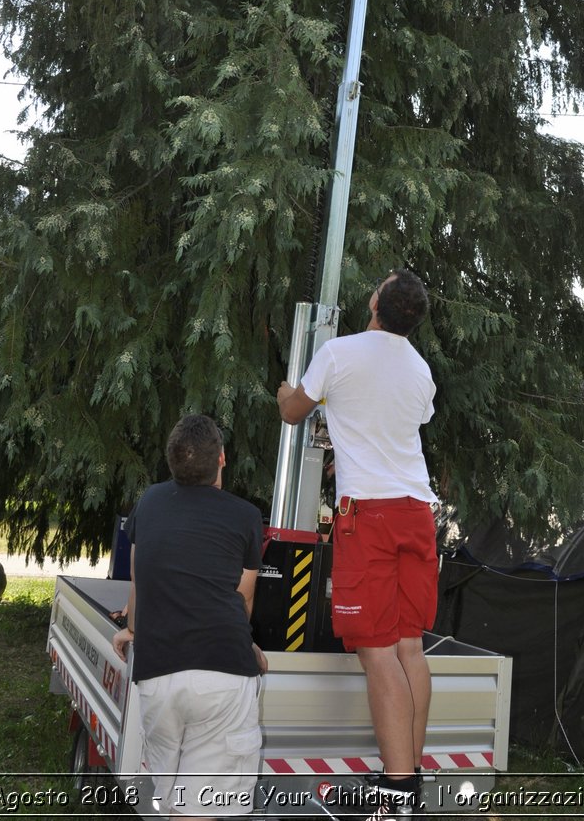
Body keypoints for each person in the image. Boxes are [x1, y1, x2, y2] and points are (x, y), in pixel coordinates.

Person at [277, 270, 437, 818]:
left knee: (376, 650)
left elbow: (293, 412)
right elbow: (408, 419)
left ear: (375, 302)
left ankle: (394, 793)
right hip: (416, 512)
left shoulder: (340, 353)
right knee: (409, 645)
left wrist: (286, 392)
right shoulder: (420, 371)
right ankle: (407, 778)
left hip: (367, 515)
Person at [112, 413, 267, 819]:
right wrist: (246, 642)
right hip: (222, 674)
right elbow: (242, 599)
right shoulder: (246, 517)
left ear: (172, 462)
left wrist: (131, 630)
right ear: (222, 460)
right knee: (202, 808)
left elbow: (139, 580)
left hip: (157, 675)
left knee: (173, 801)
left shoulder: (149, 503)